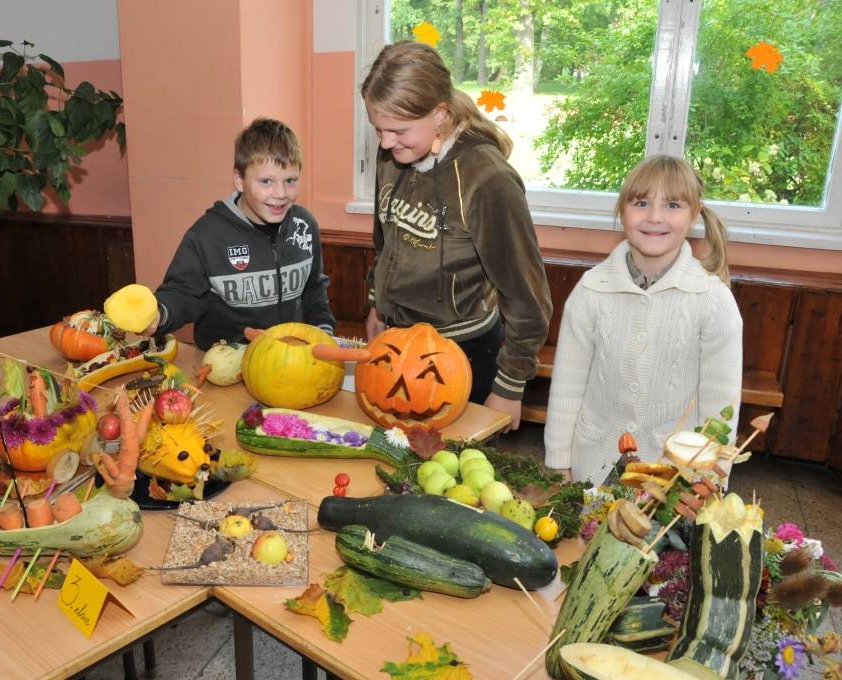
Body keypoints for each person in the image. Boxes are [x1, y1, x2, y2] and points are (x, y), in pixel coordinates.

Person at [361, 41, 552, 429]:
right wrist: (375, 304)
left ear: (440, 113)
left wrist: (510, 385)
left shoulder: (488, 180)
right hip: (395, 340)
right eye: (377, 128)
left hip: (460, 356)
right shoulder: (393, 155)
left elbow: (528, 299)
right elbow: (385, 241)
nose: (384, 142)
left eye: (398, 130)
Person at [544, 155, 743, 485]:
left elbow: (721, 407)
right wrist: (558, 464)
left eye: (673, 205)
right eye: (641, 202)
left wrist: (709, 482)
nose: (655, 217)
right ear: (623, 210)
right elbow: (567, 387)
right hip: (591, 466)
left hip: (675, 479)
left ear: (694, 214)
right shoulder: (591, 290)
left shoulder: (713, 301)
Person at [147, 118, 335, 349]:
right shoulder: (207, 235)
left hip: (289, 362)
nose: (280, 193)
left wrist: (324, 332)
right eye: (266, 181)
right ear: (239, 180)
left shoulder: (305, 225)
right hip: (225, 364)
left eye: (290, 181)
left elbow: (314, 289)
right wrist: (158, 314)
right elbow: (182, 294)